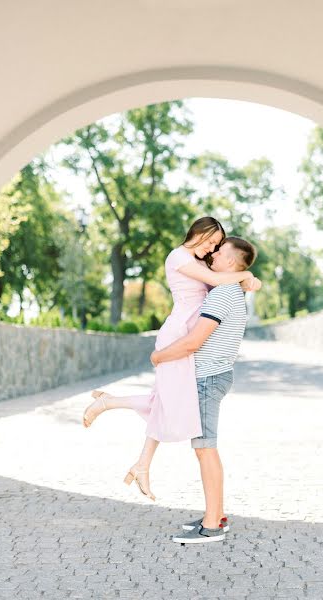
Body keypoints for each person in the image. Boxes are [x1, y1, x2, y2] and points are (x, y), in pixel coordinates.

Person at [82, 217, 260, 501]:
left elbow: (225, 278)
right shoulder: (178, 257)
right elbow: (218, 280)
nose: (213, 250)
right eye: (212, 243)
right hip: (178, 337)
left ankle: (141, 463)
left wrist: (247, 276)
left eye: (217, 247)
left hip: (189, 338)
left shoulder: (201, 262)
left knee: (164, 401)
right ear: (200, 234)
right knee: (163, 401)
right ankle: (110, 407)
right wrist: (245, 276)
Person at [150, 236, 257, 543]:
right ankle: (216, 514)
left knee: (205, 449)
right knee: (204, 448)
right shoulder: (228, 290)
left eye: (220, 252)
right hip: (212, 376)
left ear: (232, 263)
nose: (213, 254)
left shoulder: (223, 293)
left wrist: (159, 356)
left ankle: (212, 525)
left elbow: (194, 342)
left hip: (209, 378)